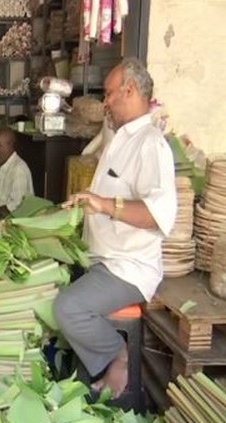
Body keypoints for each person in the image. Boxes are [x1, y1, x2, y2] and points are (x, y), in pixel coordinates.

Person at [55, 58, 177, 399]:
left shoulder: (150, 144)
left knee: (68, 307)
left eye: (110, 94)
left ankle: (116, 356)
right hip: (103, 260)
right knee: (50, 282)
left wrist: (105, 205)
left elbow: (158, 214)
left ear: (130, 89)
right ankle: (80, 371)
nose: (105, 101)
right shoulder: (122, 138)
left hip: (127, 269)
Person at [0, 126, 34, 222]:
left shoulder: (18, 170)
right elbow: (3, 201)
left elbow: (16, 206)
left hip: (16, 225)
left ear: (10, 145)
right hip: (2, 222)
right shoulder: (5, 166)